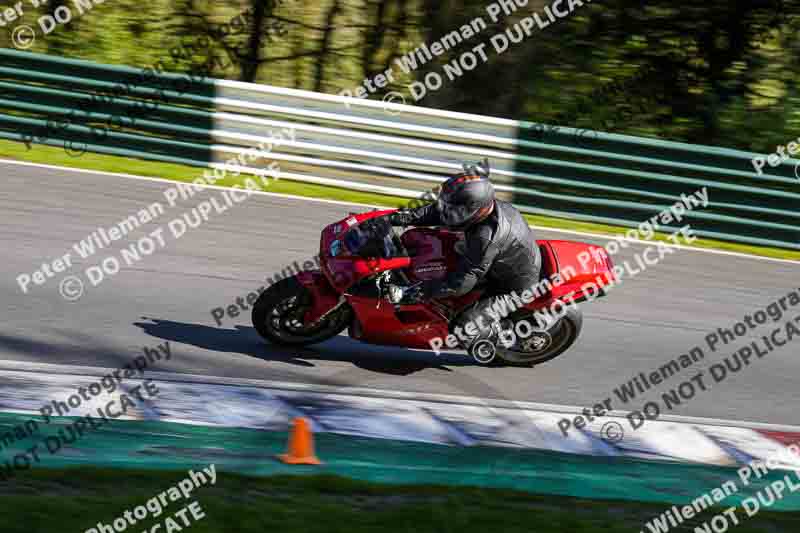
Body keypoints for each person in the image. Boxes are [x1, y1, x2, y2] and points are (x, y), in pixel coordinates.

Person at [380, 159, 542, 358]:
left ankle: (507, 336)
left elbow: (459, 284)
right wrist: (396, 217)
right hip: (498, 259)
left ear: (476, 209)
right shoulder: (481, 209)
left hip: (512, 285)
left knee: (463, 330)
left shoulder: (486, 239)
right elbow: (437, 212)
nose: (449, 211)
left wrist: (415, 292)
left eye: (457, 209)